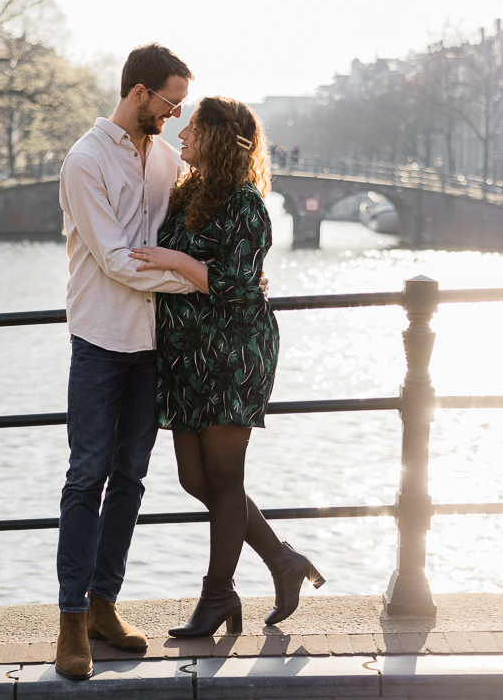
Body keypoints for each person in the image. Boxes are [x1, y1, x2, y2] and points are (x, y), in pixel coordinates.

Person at [130, 97, 324, 639]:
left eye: (193, 127)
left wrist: (176, 261)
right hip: (187, 354)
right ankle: (282, 561)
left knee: (224, 477)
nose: (182, 133)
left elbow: (239, 287)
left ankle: (217, 595)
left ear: (217, 138)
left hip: (233, 353)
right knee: (197, 478)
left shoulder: (246, 205)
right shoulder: (188, 192)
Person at [54, 43, 200, 680]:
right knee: (87, 477)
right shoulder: (84, 162)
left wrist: (193, 264)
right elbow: (116, 260)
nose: (174, 115)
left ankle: (103, 604)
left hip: (150, 343)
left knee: (132, 478)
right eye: (169, 102)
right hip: (99, 338)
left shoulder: (168, 160)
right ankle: (68, 622)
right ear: (139, 92)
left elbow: (169, 243)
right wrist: (201, 281)